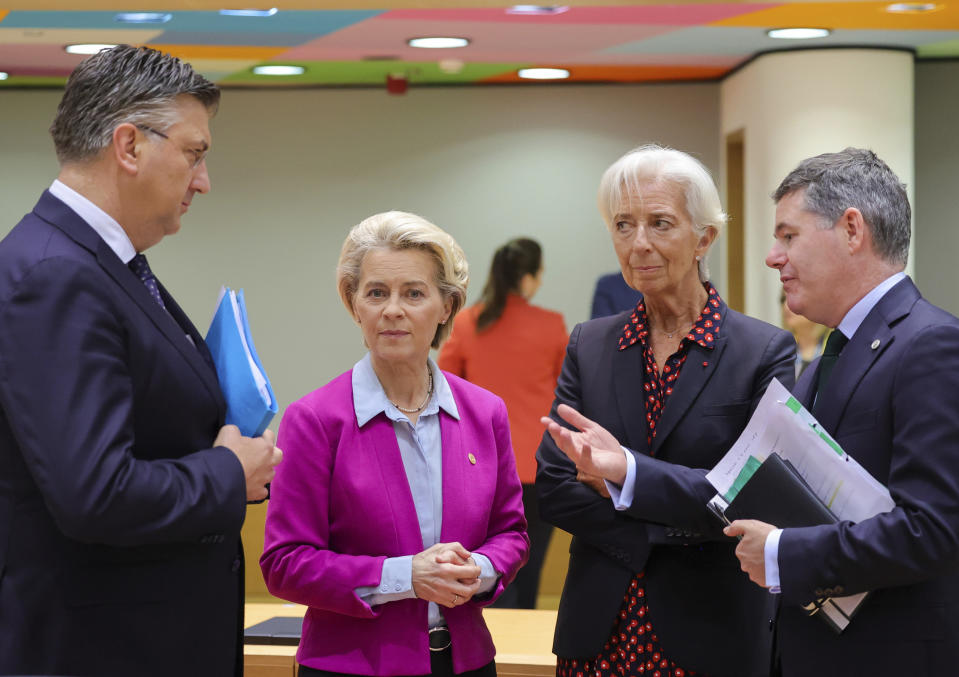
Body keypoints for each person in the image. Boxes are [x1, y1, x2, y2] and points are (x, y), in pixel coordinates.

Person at [0, 45, 281, 676]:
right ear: (128, 146)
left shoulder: (95, 263)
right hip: (98, 647)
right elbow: (95, 493)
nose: (203, 180)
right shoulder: (57, 275)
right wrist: (227, 473)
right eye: (195, 153)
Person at [535, 145, 795, 677]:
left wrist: (621, 478)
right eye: (623, 225)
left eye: (660, 223)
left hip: (711, 634)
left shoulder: (762, 352)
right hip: (599, 634)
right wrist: (667, 525)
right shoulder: (591, 343)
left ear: (705, 237)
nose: (639, 245)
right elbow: (556, 485)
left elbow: (750, 495)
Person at [261, 211, 529, 677]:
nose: (392, 310)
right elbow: (285, 563)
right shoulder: (315, 419)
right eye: (376, 293)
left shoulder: (486, 413)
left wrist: (477, 571)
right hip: (350, 668)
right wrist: (407, 577)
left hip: (466, 663)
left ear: (446, 307)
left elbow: (512, 535)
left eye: (414, 293)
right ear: (354, 304)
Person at [726, 148, 959, 676]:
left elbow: (936, 530)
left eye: (789, 236)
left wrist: (786, 551)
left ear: (852, 230)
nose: (772, 256)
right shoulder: (833, 352)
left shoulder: (932, 345)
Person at [438, 237, 566, 609]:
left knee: (486, 569)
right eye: (538, 275)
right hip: (542, 466)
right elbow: (568, 397)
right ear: (526, 278)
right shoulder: (552, 325)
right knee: (531, 566)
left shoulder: (465, 324)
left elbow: (442, 391)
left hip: (479, 466)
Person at [780, 289, 827, 379]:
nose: (786, 306)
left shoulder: (834, 348)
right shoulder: (782, 349)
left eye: (794, 298)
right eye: (783, 299)